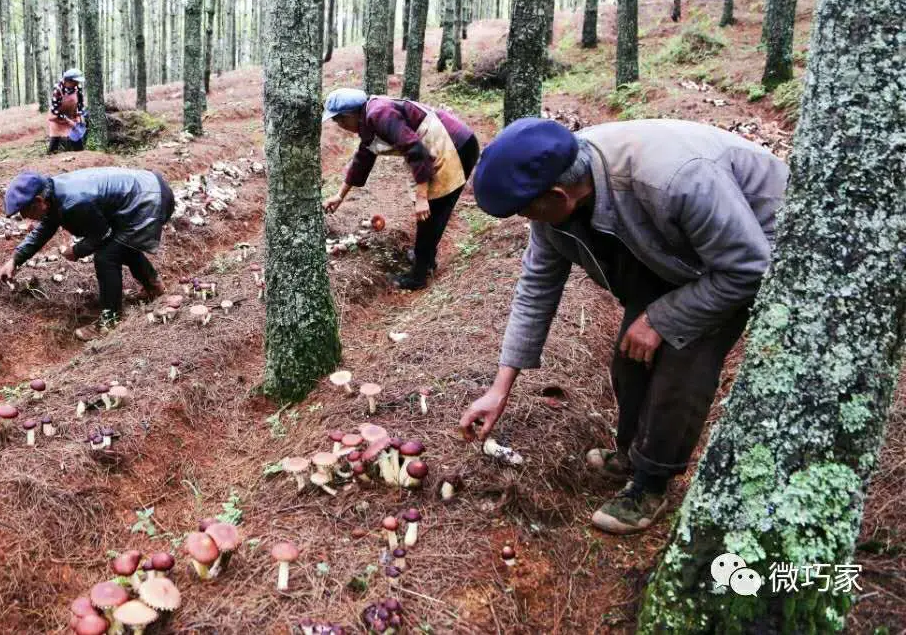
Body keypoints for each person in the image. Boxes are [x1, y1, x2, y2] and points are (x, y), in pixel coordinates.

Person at [459, 118, 789, 535]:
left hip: (754, 249)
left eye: (525, 210)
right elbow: (536, 288)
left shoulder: (674, 180)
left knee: (682, 363)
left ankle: (651, 483)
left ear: (559, 196)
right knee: (630, 358)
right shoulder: (557, 202)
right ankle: (631, 454)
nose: (525, 219)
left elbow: (749, 268)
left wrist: (661, 318)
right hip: (679, 247)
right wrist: (500, 387)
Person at [321, 88, 479, 290]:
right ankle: (425, 259)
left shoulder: (378, 114)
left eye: (339, 121)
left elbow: (415, 149)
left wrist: (422, 196)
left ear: (350, 115)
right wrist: (339, 196)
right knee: (430, 212)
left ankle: (418, 276)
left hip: (454, 145)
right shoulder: (369, 119)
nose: (340, 126)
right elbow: (363, 159)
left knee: (432, 210)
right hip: (440, 147)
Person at [0, 168, 174, 340]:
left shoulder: (73, 202)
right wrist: (15, 259)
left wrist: (76, 251)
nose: (26, 217)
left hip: (148, 200)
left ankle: (110, 320)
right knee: (121, 245)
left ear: (38, 201)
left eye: (26, 211)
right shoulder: (53, 195)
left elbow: (102, 234)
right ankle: (153, 286)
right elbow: (44, 230)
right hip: (146, 190)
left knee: (107, 256)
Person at [47, 68, 87, 154]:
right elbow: (55, 110)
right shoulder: (58, 89)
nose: (77, 84)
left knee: (77, 137)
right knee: (54, 140)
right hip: (57, 118)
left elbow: (80, 103)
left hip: (72, 116)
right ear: (68, 81)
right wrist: (67, 120)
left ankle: (80, 155)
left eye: (77, 82)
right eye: (75, 82)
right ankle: (50, 158)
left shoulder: (77, 87)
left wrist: (80, 115)